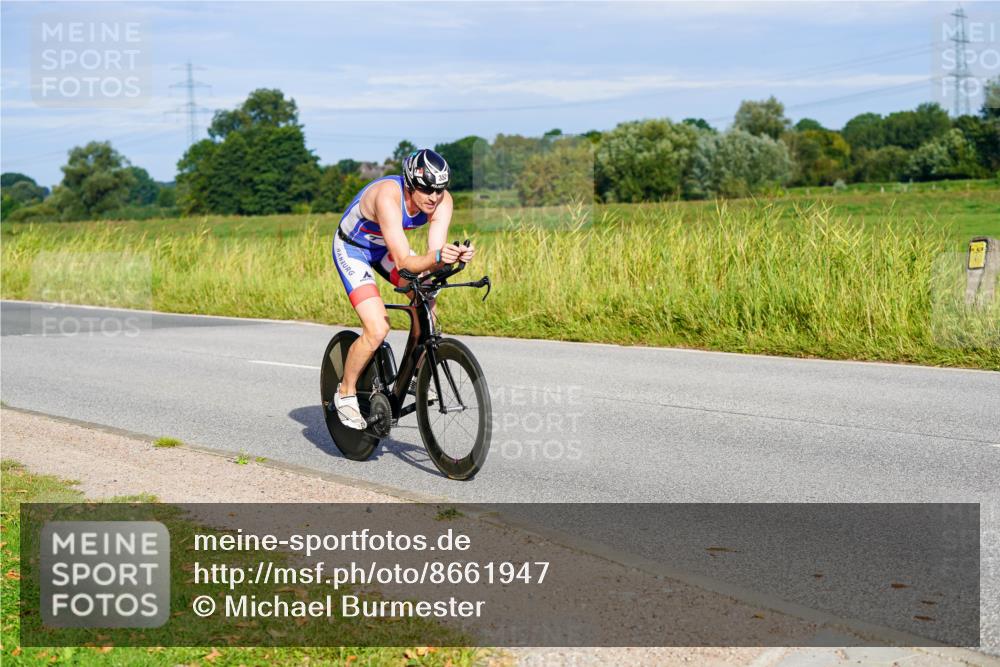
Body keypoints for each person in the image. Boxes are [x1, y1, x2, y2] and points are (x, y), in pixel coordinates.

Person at [331, 148, 474, 429]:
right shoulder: (387, 197)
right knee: (377, 329)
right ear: (409, 184)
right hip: (353, 249)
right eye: (426, 189)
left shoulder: (442, 201)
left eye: (439, 189)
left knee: (427, 302)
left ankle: (416, 375)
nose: (434, 197)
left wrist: (453, 256)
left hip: (384, 248)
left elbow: (433, 255)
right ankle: (345, 392)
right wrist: (437, 257)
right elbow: (405, 262)